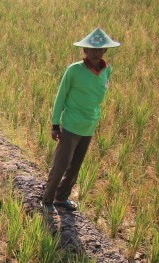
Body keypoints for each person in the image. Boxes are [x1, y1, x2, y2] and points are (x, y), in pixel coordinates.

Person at [42, 28, 121, 214]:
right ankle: (47, 201)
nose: (96, 53)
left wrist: (95, 119)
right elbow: (61, 97)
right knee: (61, 165)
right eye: (91, 49)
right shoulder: (74, 70)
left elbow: (98, 97)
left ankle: (61, 198)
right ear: (84, 50)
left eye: (100, 49)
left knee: (75, 166)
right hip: (70, 126)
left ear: (105, 51)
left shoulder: (107, 70)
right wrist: (55, 124)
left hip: (89, 127)